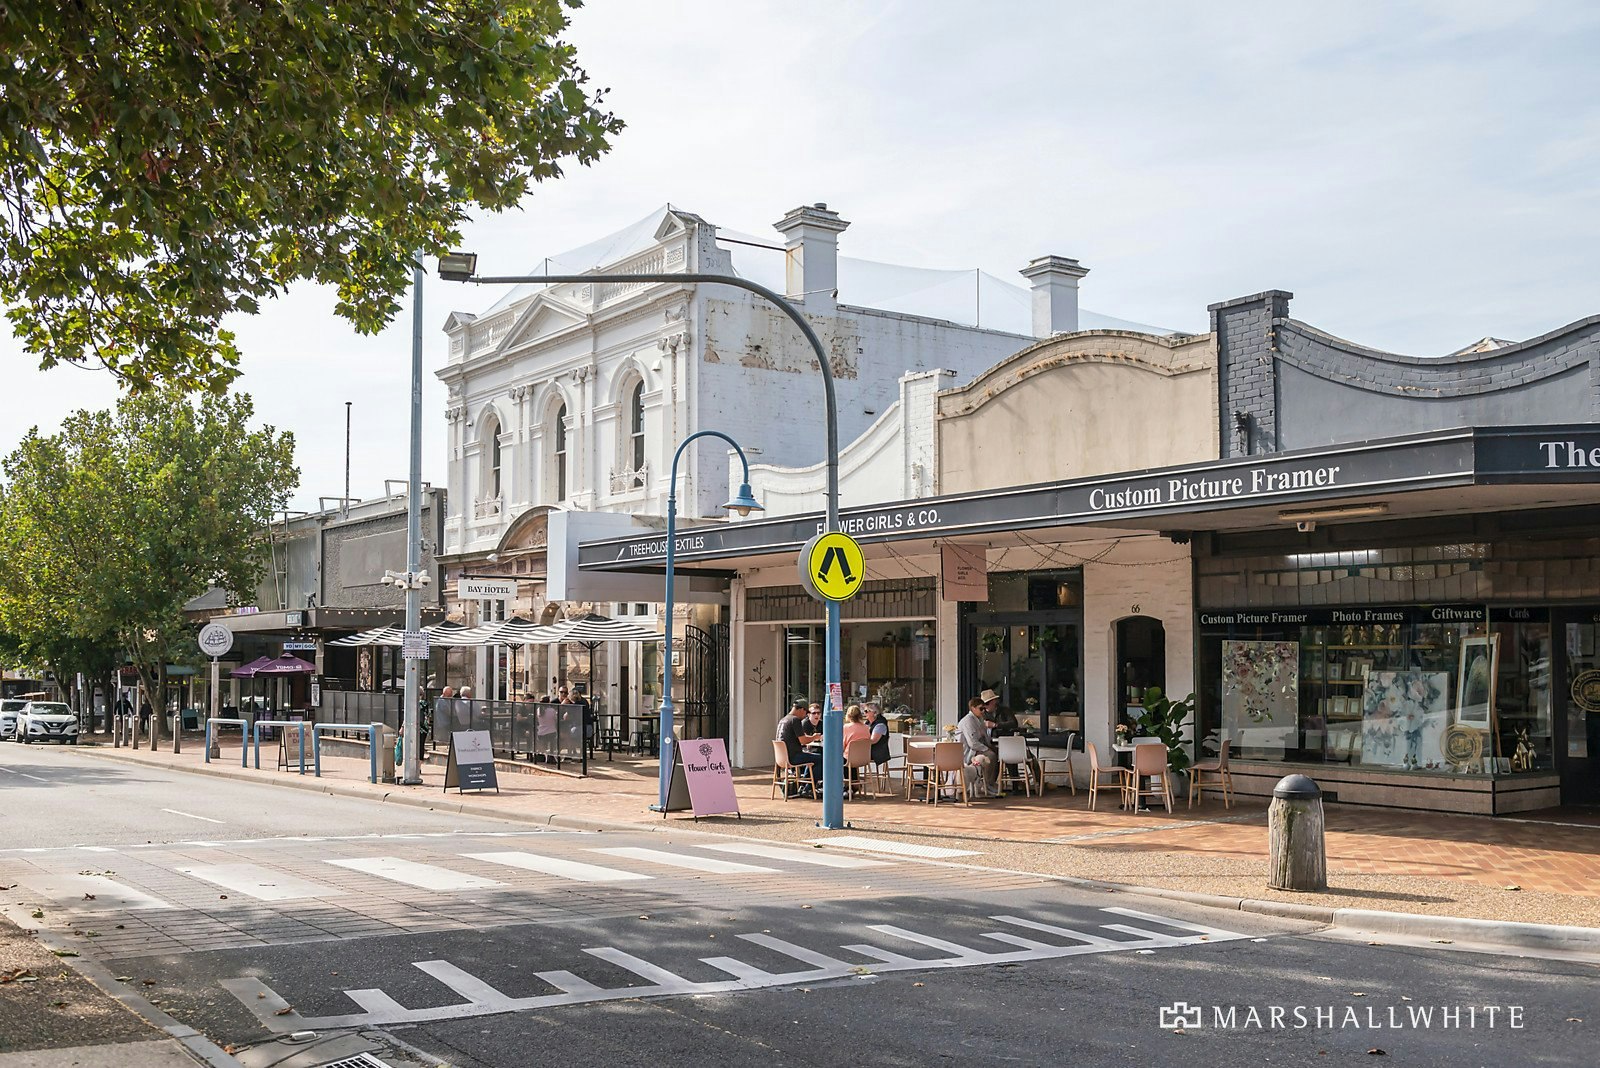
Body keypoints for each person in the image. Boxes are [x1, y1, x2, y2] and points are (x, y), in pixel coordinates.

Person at [776, 700, 823, 796]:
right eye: (806, 712)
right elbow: (803, 741)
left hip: (781, 758)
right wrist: (814, 737)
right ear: (802, 709)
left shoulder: (783, 720)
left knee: (811, 758)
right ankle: (809, 788)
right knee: (822, 759)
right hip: (793, 757)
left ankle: (804, 785)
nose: (805, 715)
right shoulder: (795, 720)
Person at [960, 696, 1000, 798]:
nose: (983, 711)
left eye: (984, 708)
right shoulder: (968, 721)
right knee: (990, 756)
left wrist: (989, 745)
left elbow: (984, 735)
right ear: (973, 708)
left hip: (977, 747)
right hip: (968, 751)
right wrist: (986, 748)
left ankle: (989, 782)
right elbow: (972, 743)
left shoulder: (979, 719)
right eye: (981, 708)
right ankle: (985, 784)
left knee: (996, 752)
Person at [864, 702, 891, 768]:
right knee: (849, 755)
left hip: (877, 752)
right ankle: (853, 776)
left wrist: (859, 742)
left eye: (867, 711)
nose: (864, 713)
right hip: (867, 750)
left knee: (850, 756)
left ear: (874, 713)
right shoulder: (867, 723)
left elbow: (873, 740)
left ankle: (853, 777)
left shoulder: (880, 724)